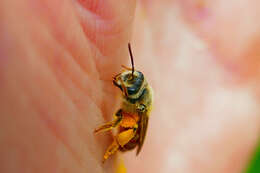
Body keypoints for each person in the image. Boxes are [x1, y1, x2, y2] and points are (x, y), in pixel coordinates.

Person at [0, 0, 259, 172]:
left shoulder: (136, 107)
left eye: (128, 82)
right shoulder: (134, 94)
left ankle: (109, 148)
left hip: (128, 133)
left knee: (122, 124)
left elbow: (129, 119)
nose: (126, 81)